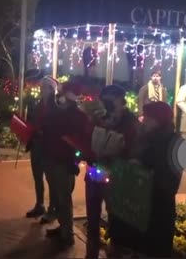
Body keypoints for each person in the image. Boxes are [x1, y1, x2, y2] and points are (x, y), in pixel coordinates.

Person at [85, 85, 139, 259]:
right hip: (94, 173)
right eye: (104, 100)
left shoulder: (131, 123)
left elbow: (133, 149)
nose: (107, 103)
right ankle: (91, 251)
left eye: (111, 100)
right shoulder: (99, 118)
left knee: (115, 218)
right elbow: (87, 140)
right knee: (92, 216)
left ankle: (114, 250)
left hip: (115, 177)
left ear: (120, 100)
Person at [42, 80, 93, 248]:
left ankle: (67, 234)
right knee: (57, 197)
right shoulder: (58, 112)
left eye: (62, 94)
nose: (59, 97)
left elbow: (80, 142)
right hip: (52, 158)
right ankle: (63, 227)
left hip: (64, 163)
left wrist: (74, 159)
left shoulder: (78, 116)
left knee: (64, 199)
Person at [134, 102, 186, 257]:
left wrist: (142, 168)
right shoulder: (147, 138)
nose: (143, 121)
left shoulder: (174, 142)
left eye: (147, 118)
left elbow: (168, 176)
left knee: (157, 247)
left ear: (158, 120)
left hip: (160, 206)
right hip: (144, 204)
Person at [25, 76, 58, 223]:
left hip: (48, 147)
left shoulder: (56, 107)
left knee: (51, 179)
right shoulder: (38, 105)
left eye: (45, 87)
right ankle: (40, 204)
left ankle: (52, 208)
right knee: (37, 176)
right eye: (41, 86)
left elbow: (56, 127)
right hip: (36, 145)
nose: (42, 89)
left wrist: (44, 132)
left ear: (52, 90)